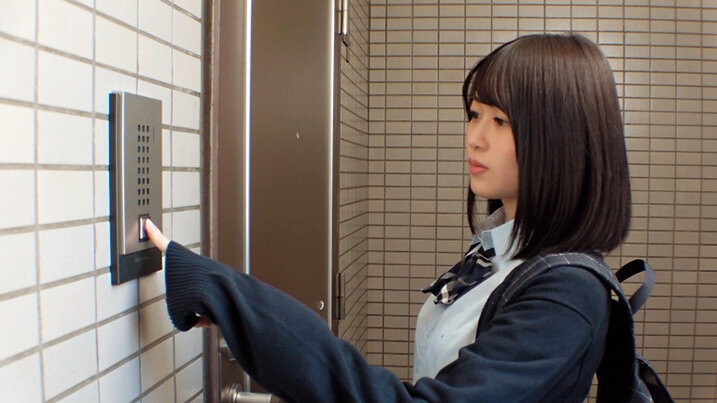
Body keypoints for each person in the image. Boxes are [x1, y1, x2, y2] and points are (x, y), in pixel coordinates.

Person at [145, 33, 631, 402]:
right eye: (474, 114)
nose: (475, 137)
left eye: (499, 121)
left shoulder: (564, 295)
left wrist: (234, 300)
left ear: (559, 138)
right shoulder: (501, 254)